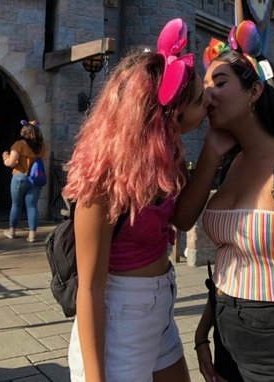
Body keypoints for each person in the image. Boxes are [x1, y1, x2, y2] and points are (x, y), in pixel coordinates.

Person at [174, 20, 274, 382]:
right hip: (225, 329)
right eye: (205, 85)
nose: (207, 95)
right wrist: (202, 333)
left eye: (220, 82)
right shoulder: (232, 163)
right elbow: (187, 225)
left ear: (254, 90)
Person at [62, 19, 209, 382]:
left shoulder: (167, 154)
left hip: (160, 306)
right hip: (120, 319)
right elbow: (90, 290)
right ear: (170, 115)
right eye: (199, 100)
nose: (209, 102)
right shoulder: (103, 178)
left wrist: (213, 153)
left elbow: (182, 220)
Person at [2, 120, 45, 242]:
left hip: (20, 177)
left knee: (16, 205)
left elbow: (11, 163)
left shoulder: (18, 145)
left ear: (24, 132)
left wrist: (5, 157)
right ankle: (32, 235)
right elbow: (41, 162)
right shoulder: (41, 146)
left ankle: (12, 231)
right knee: (32, 206)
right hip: (35, 179)